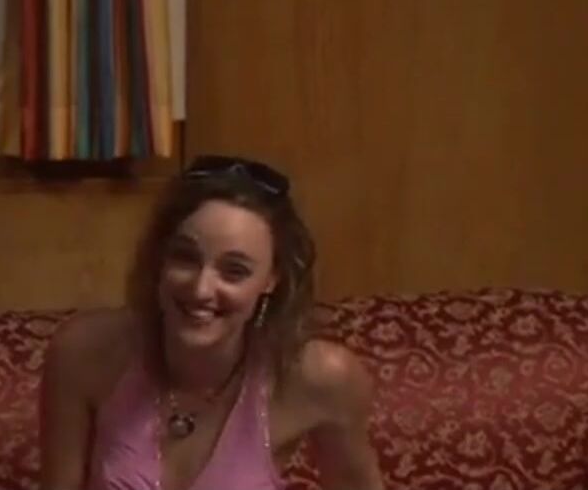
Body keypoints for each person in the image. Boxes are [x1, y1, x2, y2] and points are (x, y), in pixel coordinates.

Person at [39, 156, 382, 490]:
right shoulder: (84, 351)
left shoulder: (322, 377)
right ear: (160, 257)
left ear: (272, 279)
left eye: (234, 271)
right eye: (185, 258)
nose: (201, 289)